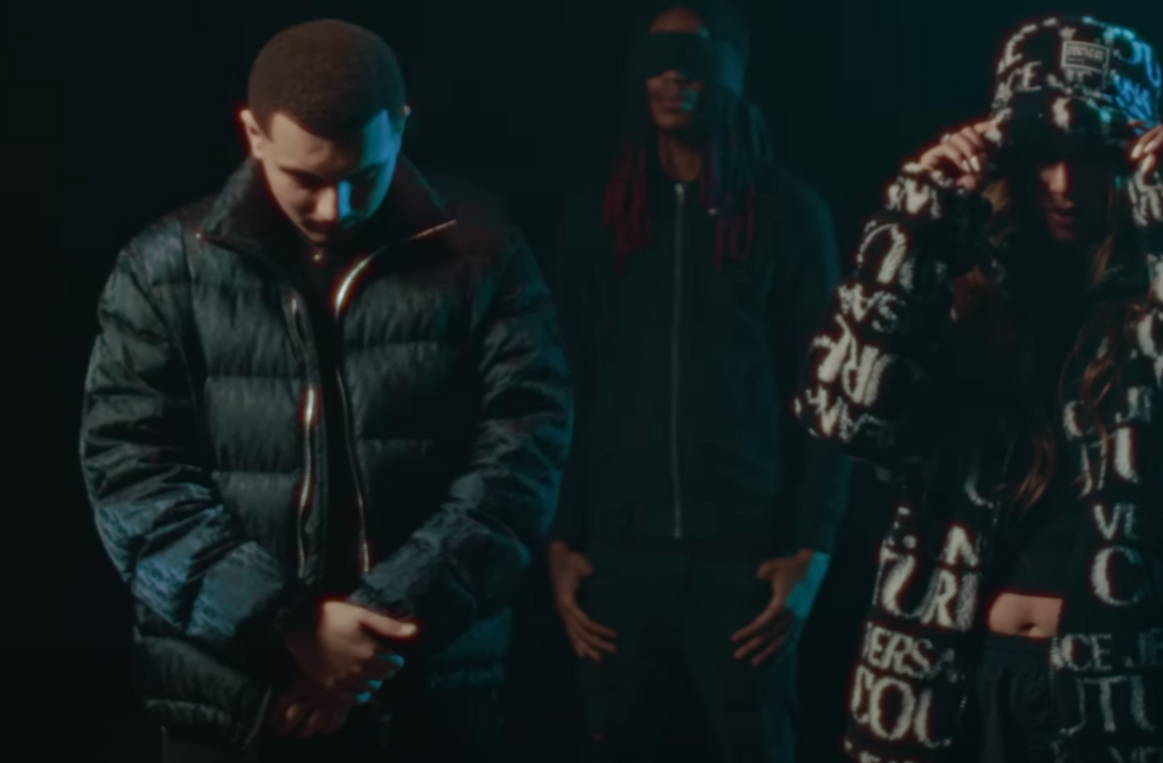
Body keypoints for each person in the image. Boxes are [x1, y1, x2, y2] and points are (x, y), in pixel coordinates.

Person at [792, 14, 1163, 763]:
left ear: (1132, 162)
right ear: (1007, 157)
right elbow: (842, 416)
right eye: (1042, 154)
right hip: (952, 686)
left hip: (1140, 699)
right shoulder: (951, 290)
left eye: (1094, 157)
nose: (1065, 185)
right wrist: (914, 226)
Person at [78, 19, 572, 763]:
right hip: (233, 704)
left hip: (427, 697)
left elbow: (524, 456)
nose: (334, 208)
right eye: (305, 179)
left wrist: (373, 635)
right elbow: (130, 476)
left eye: (363, 175)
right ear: (254, 133)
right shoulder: (161, 269)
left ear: (400, 127)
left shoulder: (486, 256)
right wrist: (290, 626)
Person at [545, 1, 850, 761]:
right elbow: (559, 382)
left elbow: (834, 392)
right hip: (618, 562)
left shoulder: (788, 215)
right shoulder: (595, 215)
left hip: (746, 565)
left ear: (732, 74)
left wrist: (812, 550)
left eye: (693, 60)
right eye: (657, 61)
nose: (672, 78)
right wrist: (559, 539)